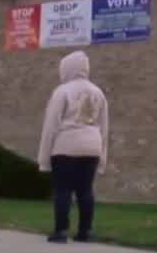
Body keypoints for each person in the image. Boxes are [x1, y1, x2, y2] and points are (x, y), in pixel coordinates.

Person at [37, 50, 109, 243]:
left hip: (66, 145)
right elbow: (104, 126)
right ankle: (86, 231)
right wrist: (102, 156)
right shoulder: (98, 92)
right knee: (85, 190)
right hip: (92, 146)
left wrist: (44, 158)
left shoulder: (62, 91)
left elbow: (51, 124)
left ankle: (61, 231)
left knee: (63, 190)